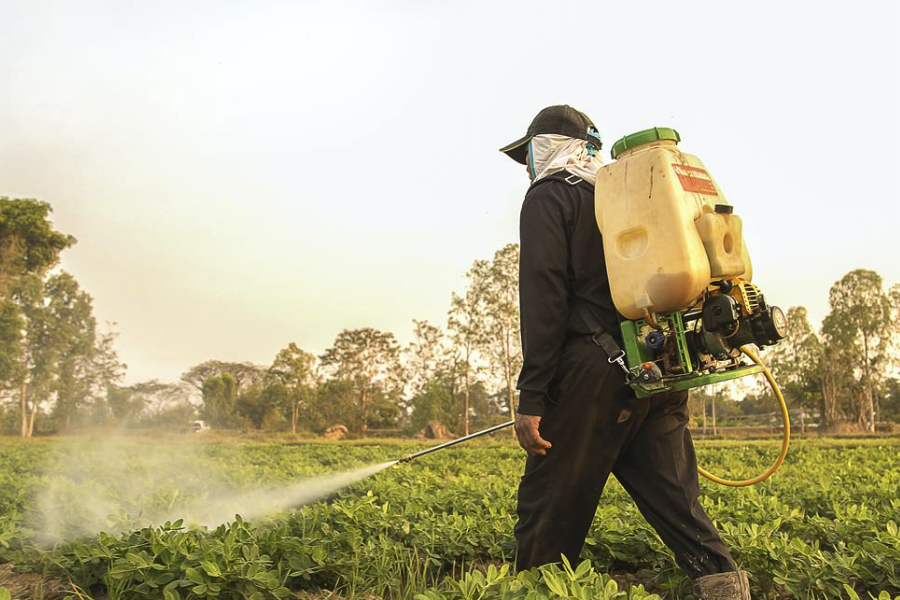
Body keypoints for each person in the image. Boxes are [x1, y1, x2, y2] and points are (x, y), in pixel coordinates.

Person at [499, 105, 752, 600]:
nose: (526, 165)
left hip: (592, 375)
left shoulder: (551, 196)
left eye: (527, 153)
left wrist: (532, 397)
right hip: (658, 366)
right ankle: (725, 586)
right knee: (677, 501)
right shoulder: (627, 197)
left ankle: (533, 592)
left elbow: (544, 297)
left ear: (546, 147)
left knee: (548, 503)